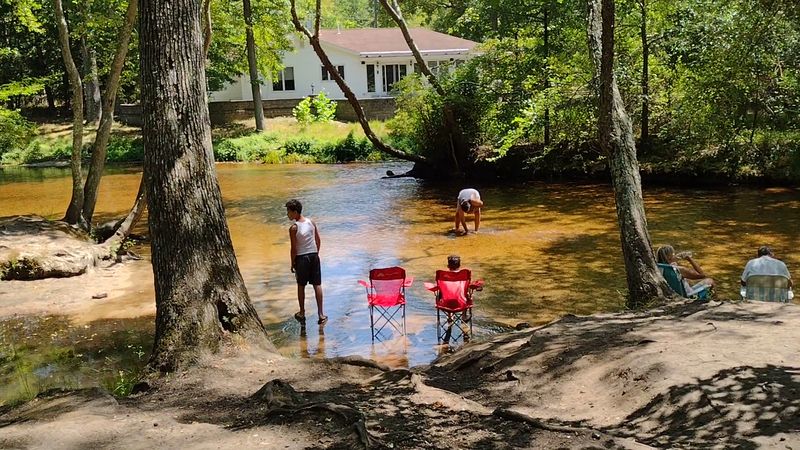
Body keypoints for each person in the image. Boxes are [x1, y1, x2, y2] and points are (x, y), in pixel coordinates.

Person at [286, 199, 327, 325]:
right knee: (317, 285)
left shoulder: (294, 228)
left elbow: (294, 249)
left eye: (289, 211)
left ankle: (302, 312)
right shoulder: (311, 222)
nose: (287, 214)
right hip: (314, 256)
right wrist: (316, 253)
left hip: (302, 258)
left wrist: (292, 263)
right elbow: (318, 240)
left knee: (301, 285)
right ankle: (321, 314)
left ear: (295, 212)